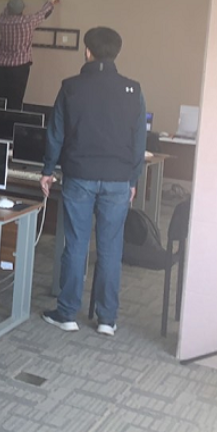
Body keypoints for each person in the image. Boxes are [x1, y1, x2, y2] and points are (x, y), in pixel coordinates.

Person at [40, 26, 146, 337]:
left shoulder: (70, 87)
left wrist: (48, 169)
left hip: (79, 175)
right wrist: (133, 178)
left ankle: (67, 314)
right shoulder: (133, 90)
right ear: (116, 53)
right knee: (111, 249)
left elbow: (56, 133)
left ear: (87, 51)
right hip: (118, 180)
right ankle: (106, 320)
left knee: (76, 245)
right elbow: (139, 141)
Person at [0, 0, 59, 110]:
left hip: (2, 66)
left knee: (1, 99)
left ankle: (0, 120)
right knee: (16, 99)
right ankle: (13, 120)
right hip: (19, 67)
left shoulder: (2, 21)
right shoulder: (27, 21)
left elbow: (6, 11)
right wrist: (51, 0)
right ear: (22, 10)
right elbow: (43, 14)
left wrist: (13, 0)